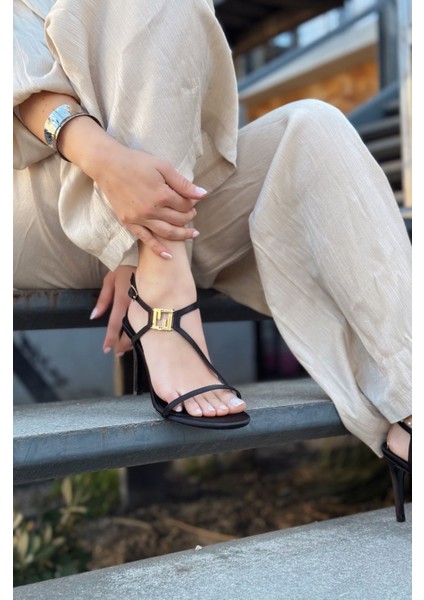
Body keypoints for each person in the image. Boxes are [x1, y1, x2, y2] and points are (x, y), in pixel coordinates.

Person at [14, 0, 411, 517]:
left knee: (312, 127)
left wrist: (132, 237)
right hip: (42, 199)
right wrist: (111, 171)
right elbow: (19, 77)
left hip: (159, 203)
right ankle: (162, 291)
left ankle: (412, 407)